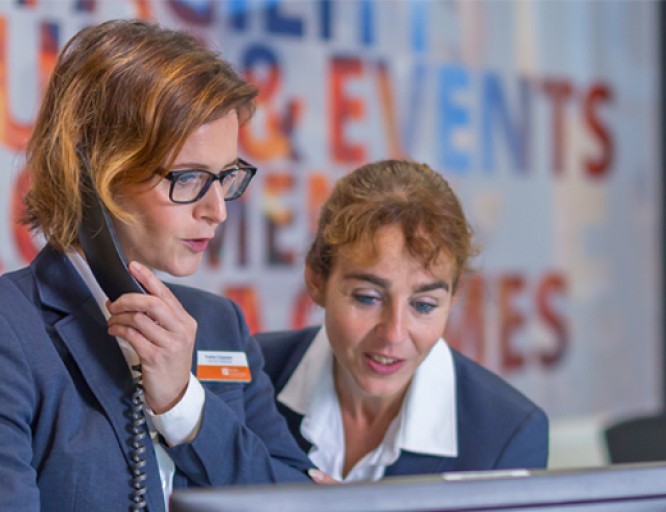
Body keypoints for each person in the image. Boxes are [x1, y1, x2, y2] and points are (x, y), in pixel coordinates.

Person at [0, 19, 314, 512]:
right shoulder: (11, 329)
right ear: (95, 174)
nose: (217, 210)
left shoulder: (218, 324)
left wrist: (183, 407)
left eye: (226, 176)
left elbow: (296, 499)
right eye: (189, 178)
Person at [256, 159, 549, 482]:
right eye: (367, 298)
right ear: (316, 280)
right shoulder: (249, 376)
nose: (394, 334)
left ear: (452, 298)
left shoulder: (506, 437)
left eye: (423, 305)